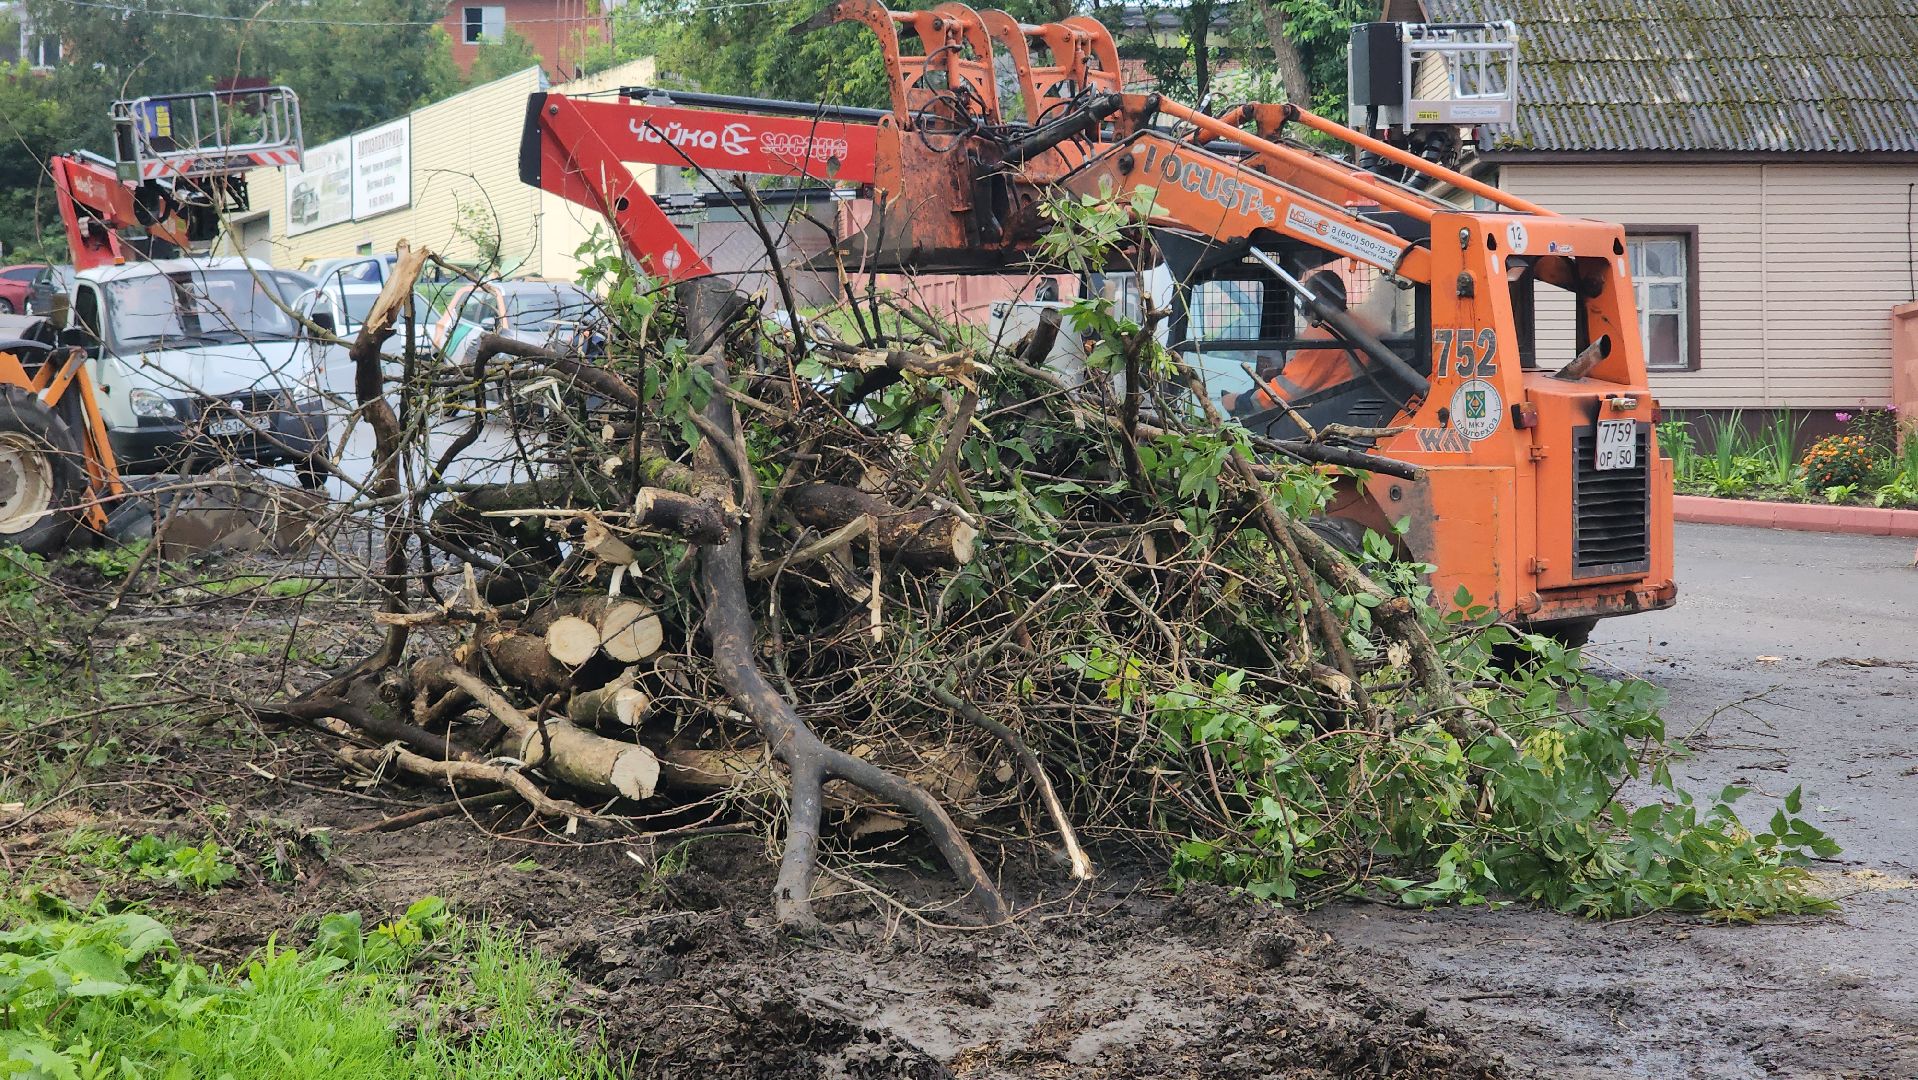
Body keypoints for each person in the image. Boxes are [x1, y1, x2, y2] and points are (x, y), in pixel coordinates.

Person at [1223, 270, 1358, 416]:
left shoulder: (1323, 335)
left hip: (1331, 411)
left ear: (1317, 297)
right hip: (1346, 400)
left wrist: (1242, 401)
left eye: (1304, 299)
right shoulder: (1355, 323)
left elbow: (1288, 392)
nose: (1302, 308)